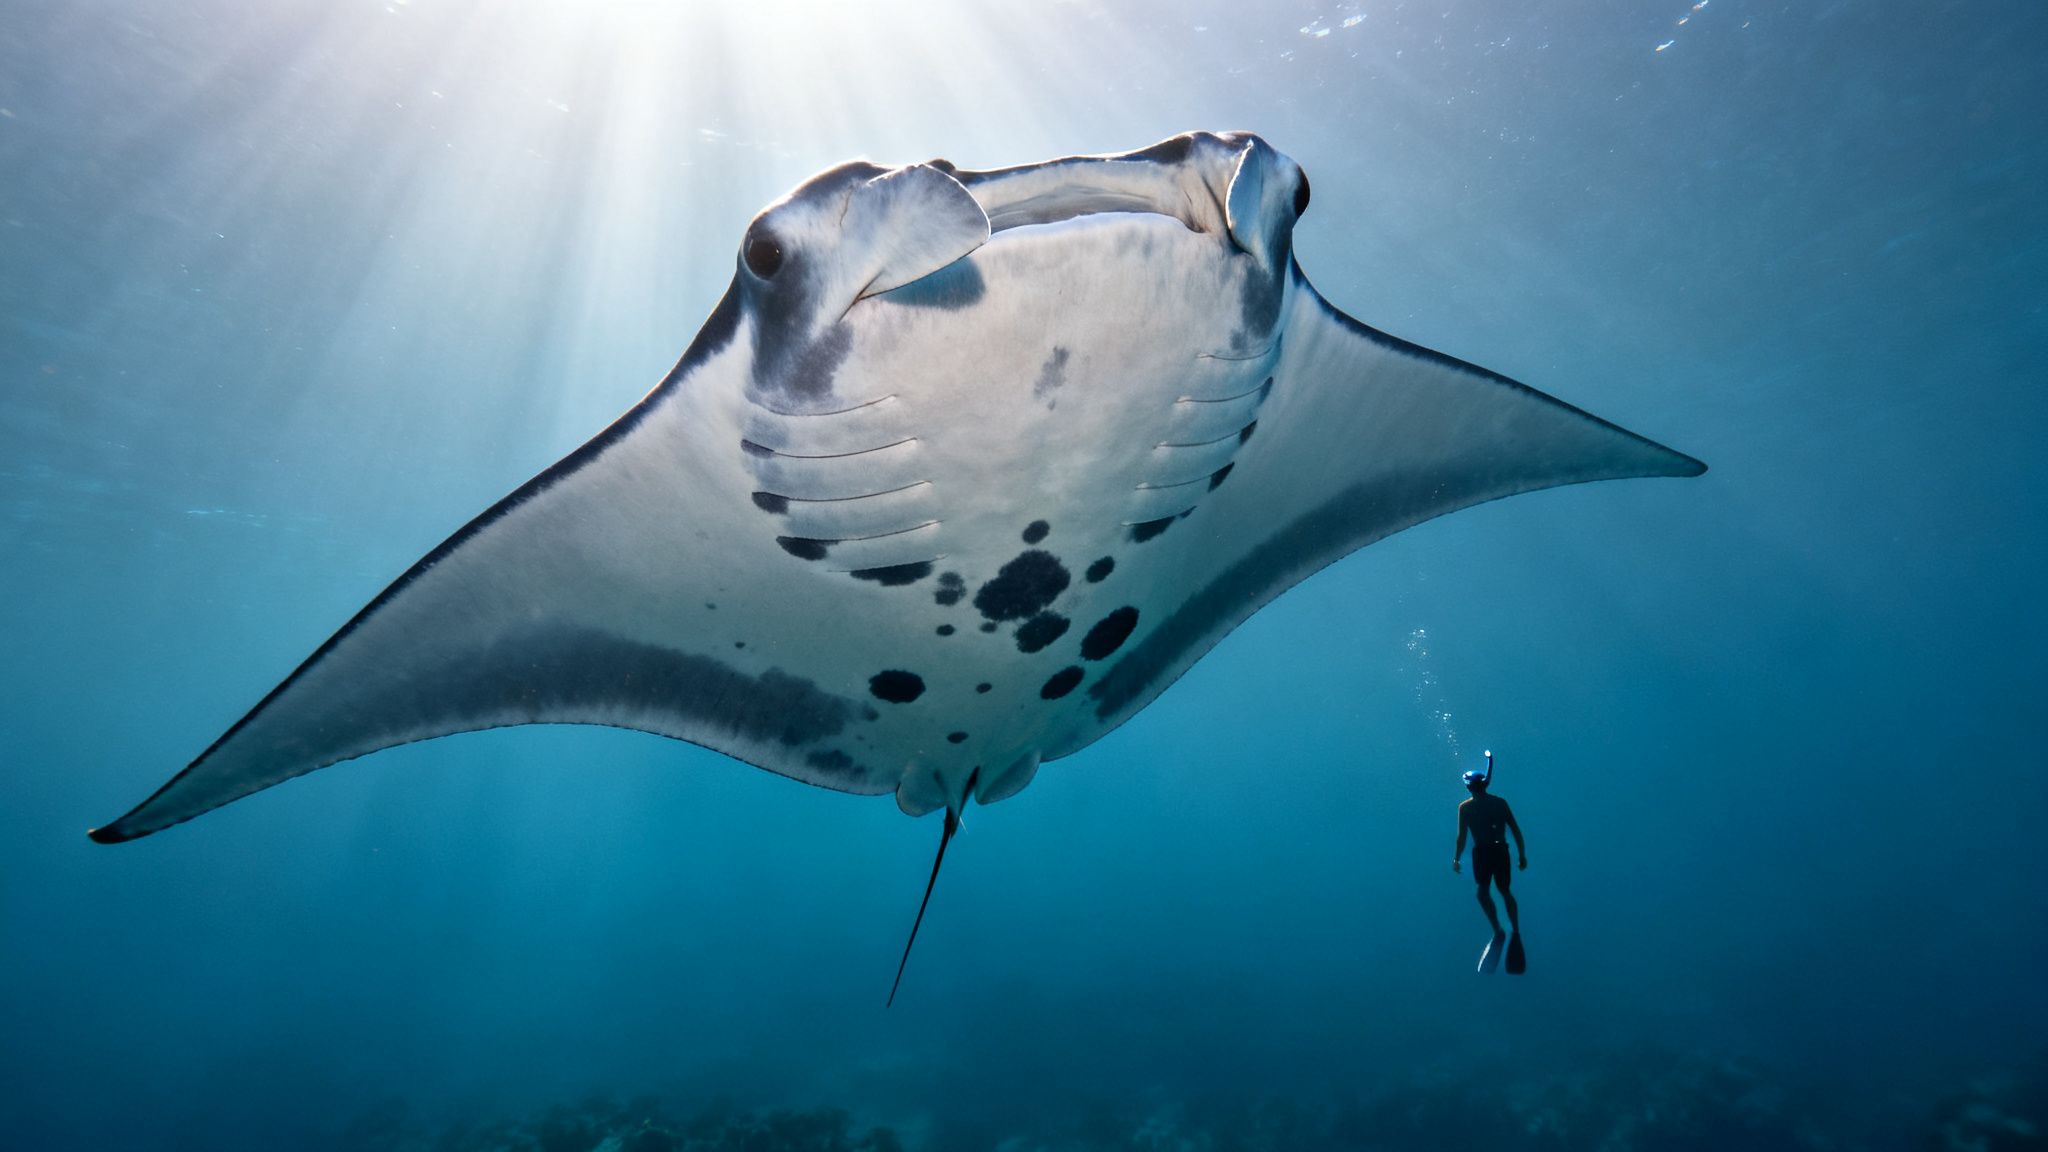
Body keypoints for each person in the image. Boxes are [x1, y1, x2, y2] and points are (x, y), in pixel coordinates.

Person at [1453, 767, 1526, 942]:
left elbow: (1461, 837)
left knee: (1483, 893)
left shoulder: (1465, 808)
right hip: (1500, 850)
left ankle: (1498, 930)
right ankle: (1515, 930)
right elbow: (1515, 830)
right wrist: (1522, 855)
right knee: (1504, 891)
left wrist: (1456, 858)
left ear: (1469, 787)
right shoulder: (1499, 803)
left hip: (1483, 853)